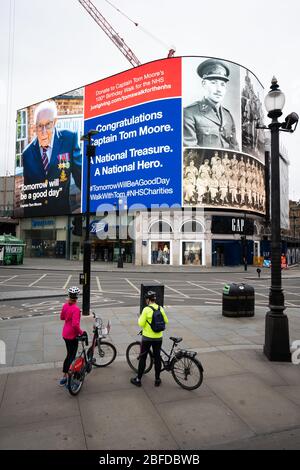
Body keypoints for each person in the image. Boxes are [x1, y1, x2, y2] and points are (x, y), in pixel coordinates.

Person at [22, 100, 82, 216]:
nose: (44, 132)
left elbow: (81, 179)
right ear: (35, 127)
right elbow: (28, 195)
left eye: (48, 125)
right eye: (40, 126)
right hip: (36, 219)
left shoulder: (69, 140)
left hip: (62, 216)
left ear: (54, 122)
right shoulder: (27, 154)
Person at [183, 58, 239, 150]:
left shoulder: (228, 116)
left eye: (222, 84)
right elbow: (191, 152)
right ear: (204, 84)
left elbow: (235, 149)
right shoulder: (189, 113)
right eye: (213, 83)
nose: (219, 89)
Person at [131, 290, 169, 387]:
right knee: (157, 358)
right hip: (158, 338)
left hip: (147, 338)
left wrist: (140, 318)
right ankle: (157, 379)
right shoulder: (160, 308)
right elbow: (166, 321)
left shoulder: (146, 310)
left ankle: (138, 379)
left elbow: (140, 323)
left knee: (143, 358)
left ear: (148, 300)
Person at [59, 286, 84, 386]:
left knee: (68, 355)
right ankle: (69, 378)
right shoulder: (76, 309)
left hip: (65, 333)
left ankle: (64, 377)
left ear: (69, 295)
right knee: (71, 356)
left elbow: (62, 317)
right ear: (77, 297)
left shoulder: (65, 306)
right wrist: (81, 332)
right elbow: (75, 325)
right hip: (72, 336)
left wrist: (68, 316)